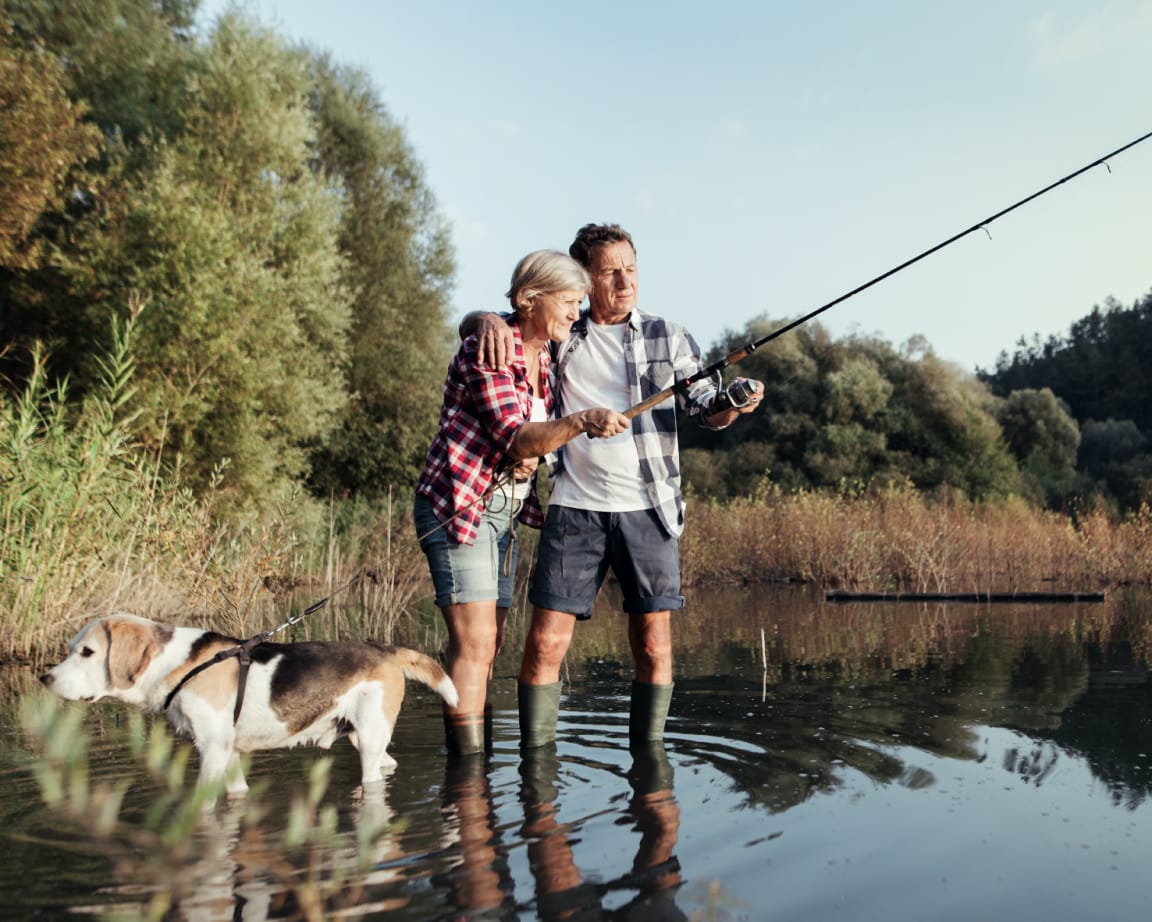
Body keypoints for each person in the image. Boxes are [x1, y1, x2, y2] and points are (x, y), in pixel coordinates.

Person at [470, 223, 763, 751]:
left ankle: (648, 767)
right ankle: (537, 769)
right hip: (574, 507)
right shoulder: (562, 330)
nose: (625, 281)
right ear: (584, 278)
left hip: (649, 509)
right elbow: (505, 325)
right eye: (610, 271)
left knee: (653, 647)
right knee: (543, 646)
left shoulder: (668, 336)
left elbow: (706, 409)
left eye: (631, 269)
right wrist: (486, 316)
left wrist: (732, 403)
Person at [414, 250, 630, 755]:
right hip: (459, 506)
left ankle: (477, 766)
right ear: (530, 299)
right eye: (570, 302)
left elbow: (488, 321)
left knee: (488, 647)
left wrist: (480, 314)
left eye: (580, 302)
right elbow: (515, 438)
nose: (577, 313)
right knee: (474, 644)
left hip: (505, 513)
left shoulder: (548, 355)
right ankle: (466, 776)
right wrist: (580, 421)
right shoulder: (487, 351)